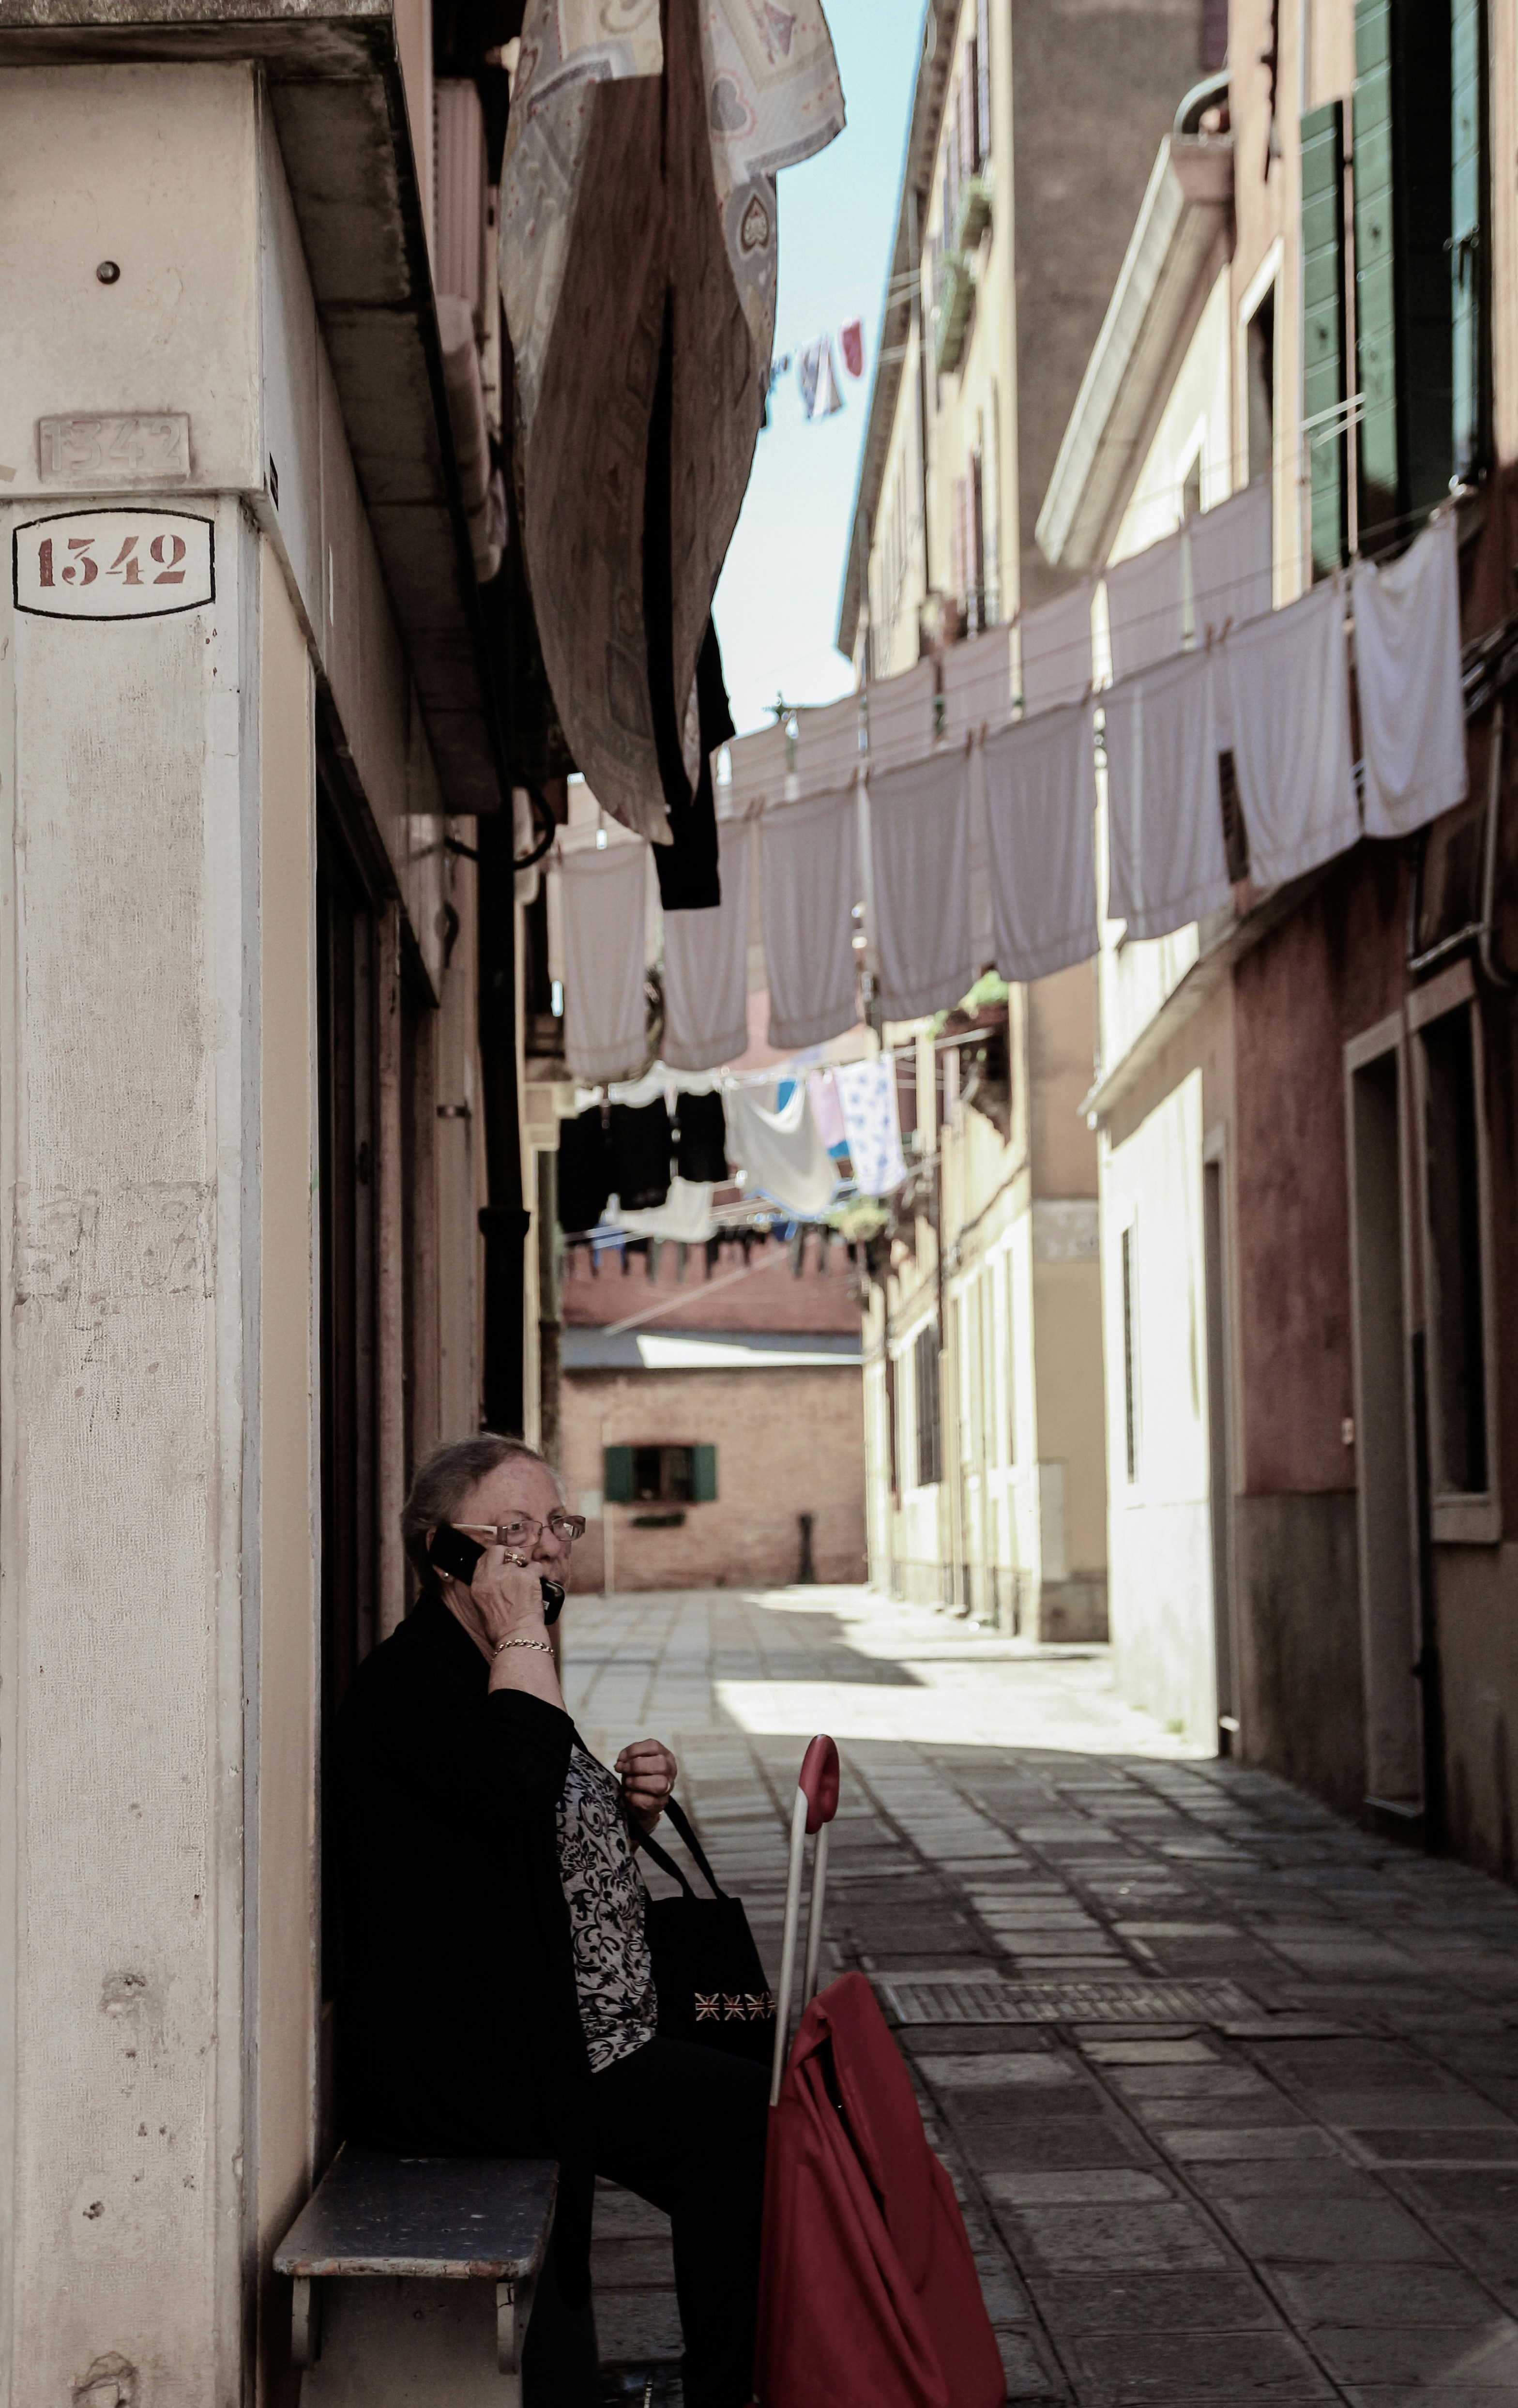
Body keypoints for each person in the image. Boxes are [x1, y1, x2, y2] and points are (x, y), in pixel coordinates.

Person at [332, 1432, 769, 2408]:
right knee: (738, 2122)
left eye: (557, 1525)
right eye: (514, 1530)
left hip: (561, 2033)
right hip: (483, 2060)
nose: (547, 1550)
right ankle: (727, 2386)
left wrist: (627, 1810)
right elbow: (508, 1784)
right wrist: (523, 1632)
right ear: (448, 1552)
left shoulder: (488, 1663)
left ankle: (734, 2380)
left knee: (747, 2108)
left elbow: (515, 1829)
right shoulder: (415, 1679)